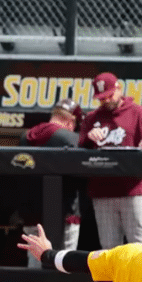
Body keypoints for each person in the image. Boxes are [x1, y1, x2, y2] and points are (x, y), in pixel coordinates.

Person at [79, 72, 142, 249]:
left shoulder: (141, 113)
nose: (106, 100)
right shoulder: (91, 118)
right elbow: (80, 151)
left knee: (139, 243)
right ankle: (114, 279)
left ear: (119, 88)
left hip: (133, 189)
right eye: (102, 98)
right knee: (110, 247)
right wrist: (89, 138)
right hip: (102, 191)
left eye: (110, 95)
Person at [18, 97, 84, 268]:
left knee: (35, 263)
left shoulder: (26, 136)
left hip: (33, 210)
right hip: (63, 210)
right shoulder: (69, 137)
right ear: (71, 122)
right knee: (65, 263)